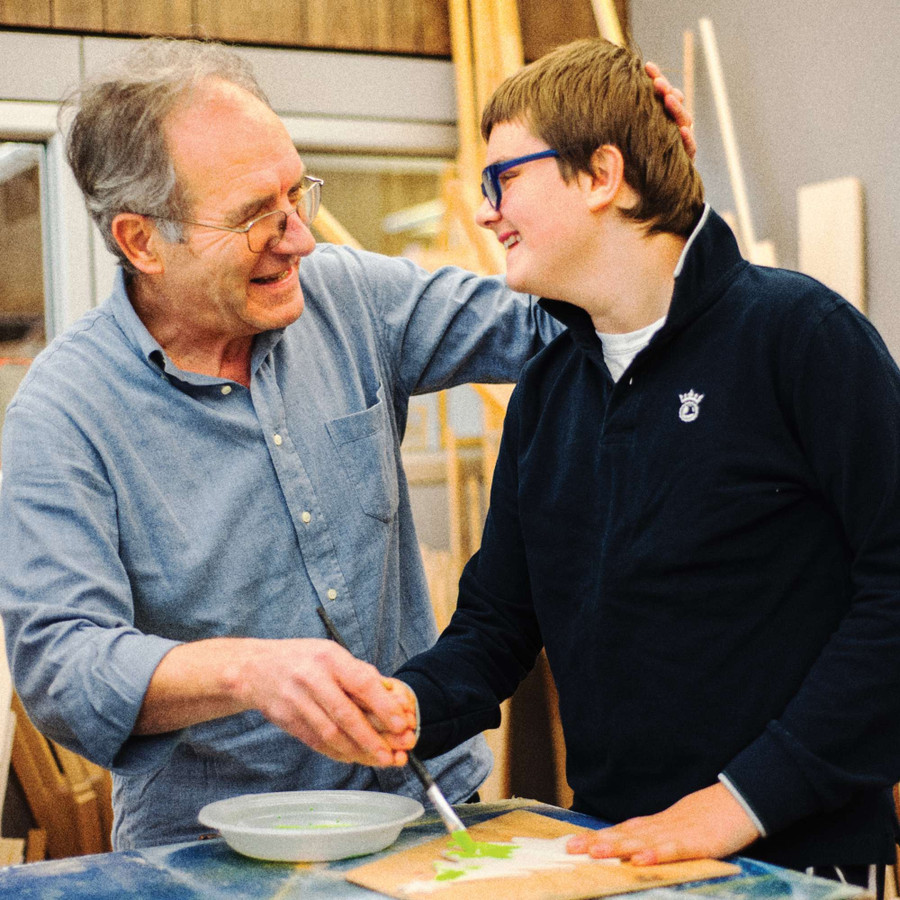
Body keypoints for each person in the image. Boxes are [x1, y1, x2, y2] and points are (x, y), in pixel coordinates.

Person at [0, 38, 692, 850]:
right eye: (256, 215)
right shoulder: (65, 411)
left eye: (296, 194)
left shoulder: (351, 299)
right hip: (215, 851)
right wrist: (249, 672)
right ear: (141, 240)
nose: (298, 238)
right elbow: (61, 663)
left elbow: (570, 315)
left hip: (427, 810)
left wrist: (650, 204)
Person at [389, 38, 900, 887]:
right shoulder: (549, 389)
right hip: (616, 852)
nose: (486, 211)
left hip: (798, 859)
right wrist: (403, 706)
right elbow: (497, 624)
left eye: (504, 179)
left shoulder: (801, 337)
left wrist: (736, 803)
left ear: (601, 174)